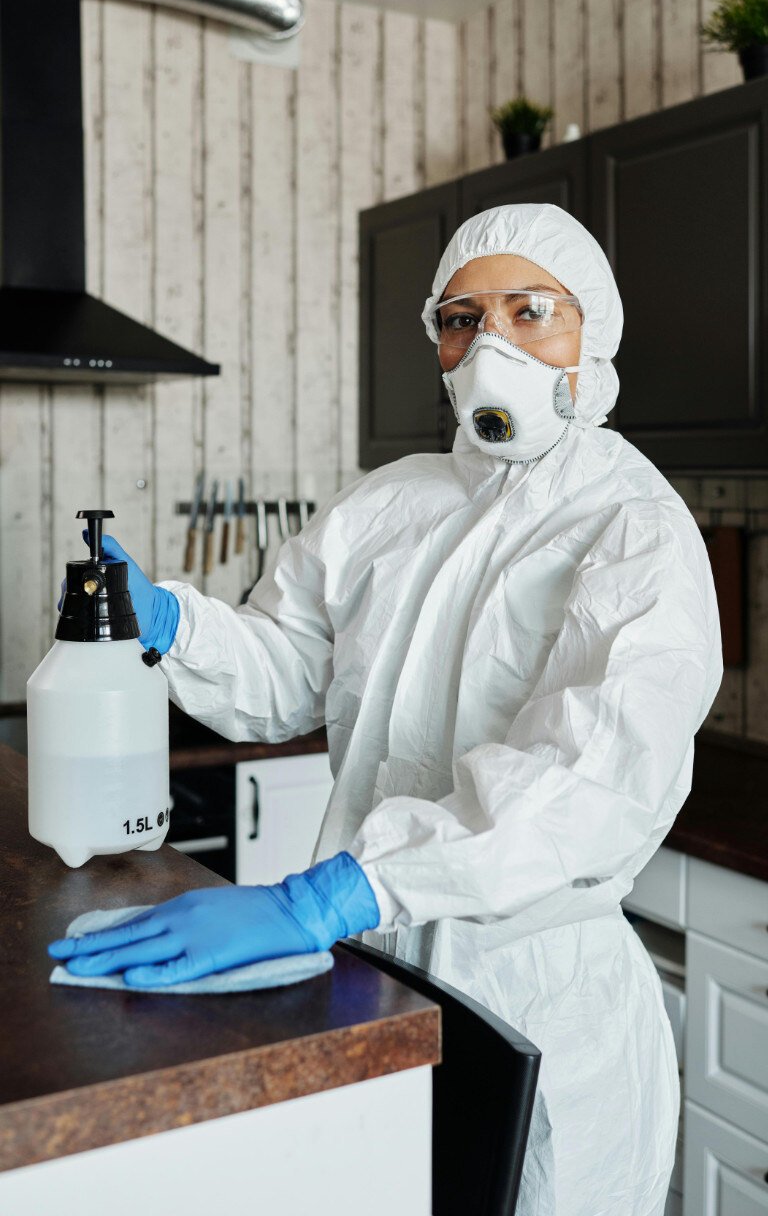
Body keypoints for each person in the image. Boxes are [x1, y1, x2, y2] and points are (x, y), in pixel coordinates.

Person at [49, 203, 722, 1215]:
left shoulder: (634, 530)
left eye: (529, 312)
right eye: (461, 318)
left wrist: (319, 900)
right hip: (375, 974)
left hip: (535, 998)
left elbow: (582, 782)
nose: (489, 344)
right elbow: (285, 674)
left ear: (597, 332)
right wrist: (171, 623)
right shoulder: (390, 503)